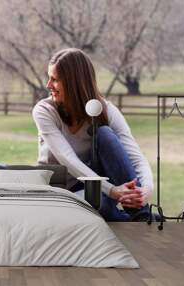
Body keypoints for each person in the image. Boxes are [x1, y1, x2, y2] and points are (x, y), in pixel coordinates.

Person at [32, 48, 153, 221]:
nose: (48, 85)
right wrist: (112, 190)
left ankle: (141, 216)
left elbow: (135, 156)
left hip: (97, 184)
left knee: (104, 133)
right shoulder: (44, 111)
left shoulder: (106, 110)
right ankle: (144, 220)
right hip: (62, 188)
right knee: (96, 202)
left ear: (73, 83)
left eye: (55, 79)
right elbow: (67, 159)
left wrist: (146, 190)